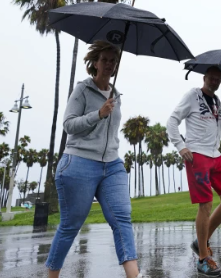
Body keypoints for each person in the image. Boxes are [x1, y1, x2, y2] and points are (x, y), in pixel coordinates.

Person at [45, 40, 142, 278]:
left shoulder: (116, 95)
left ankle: (135, 276)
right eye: (105, 60)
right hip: (79, 162)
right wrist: (97, 114)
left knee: (122, 219)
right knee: (70, 226)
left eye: (113, 61)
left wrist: (106, 111)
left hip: (112, 165)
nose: (109, 64)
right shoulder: (82, 90)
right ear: (95, 63)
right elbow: (69, 125)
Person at [167, 66, 221, 277]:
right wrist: (181, 146)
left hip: (215, 155)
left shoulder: (217, 101)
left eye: (218, 79)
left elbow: (218, 132)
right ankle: (203, 259)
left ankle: (200, 241)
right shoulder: (192, 95)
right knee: (205, 204)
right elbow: (172, 121)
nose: (214, 81)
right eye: (212, 78)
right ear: (204, 78)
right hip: (197, 155)